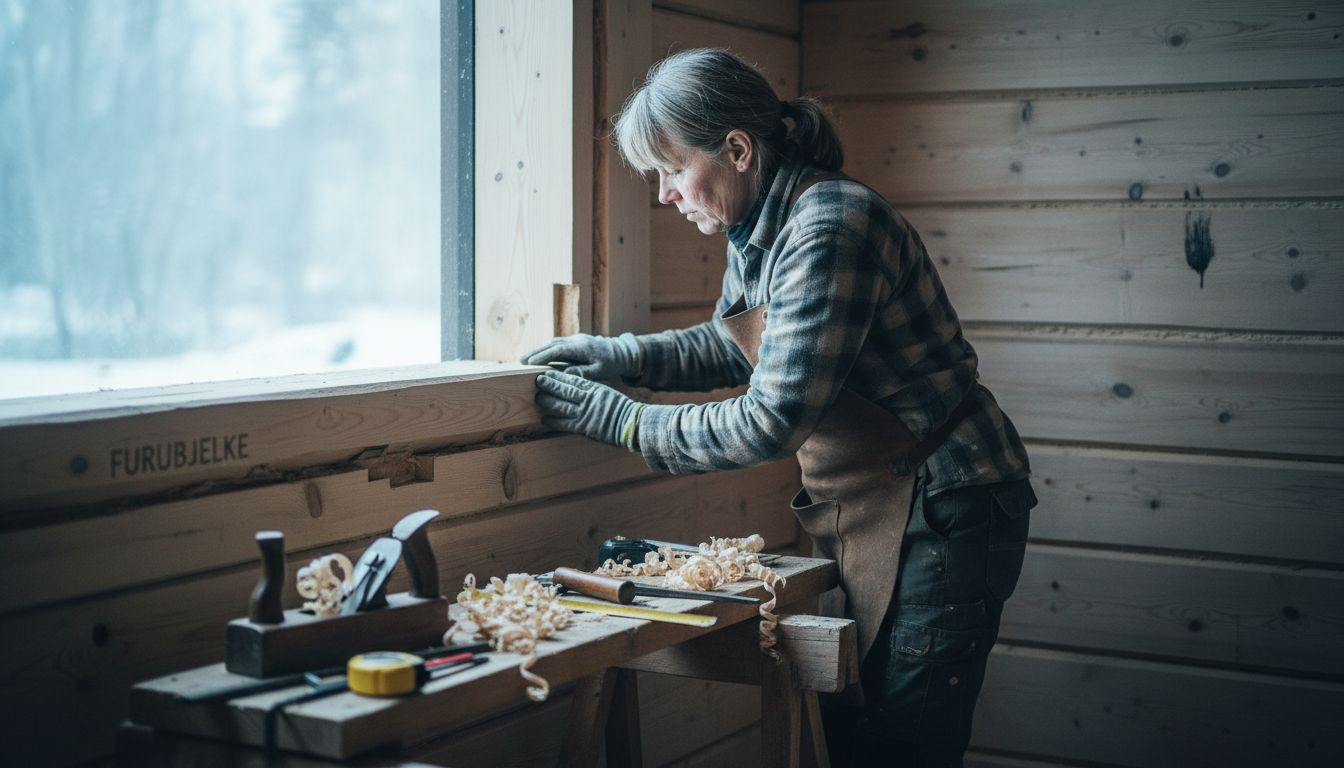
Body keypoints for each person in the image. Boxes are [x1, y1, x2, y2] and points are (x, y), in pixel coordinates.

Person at [523, 48, 1036, 767]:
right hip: (873, 500)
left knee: (902, 744)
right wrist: (625, 356)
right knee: (849, 725)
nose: (665, 195)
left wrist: (620, 419)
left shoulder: (830, 227)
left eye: (673, 169)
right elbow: (737, 342)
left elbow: (770, 420)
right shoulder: (761, 222)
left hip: (946, 502)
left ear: (737, 150)